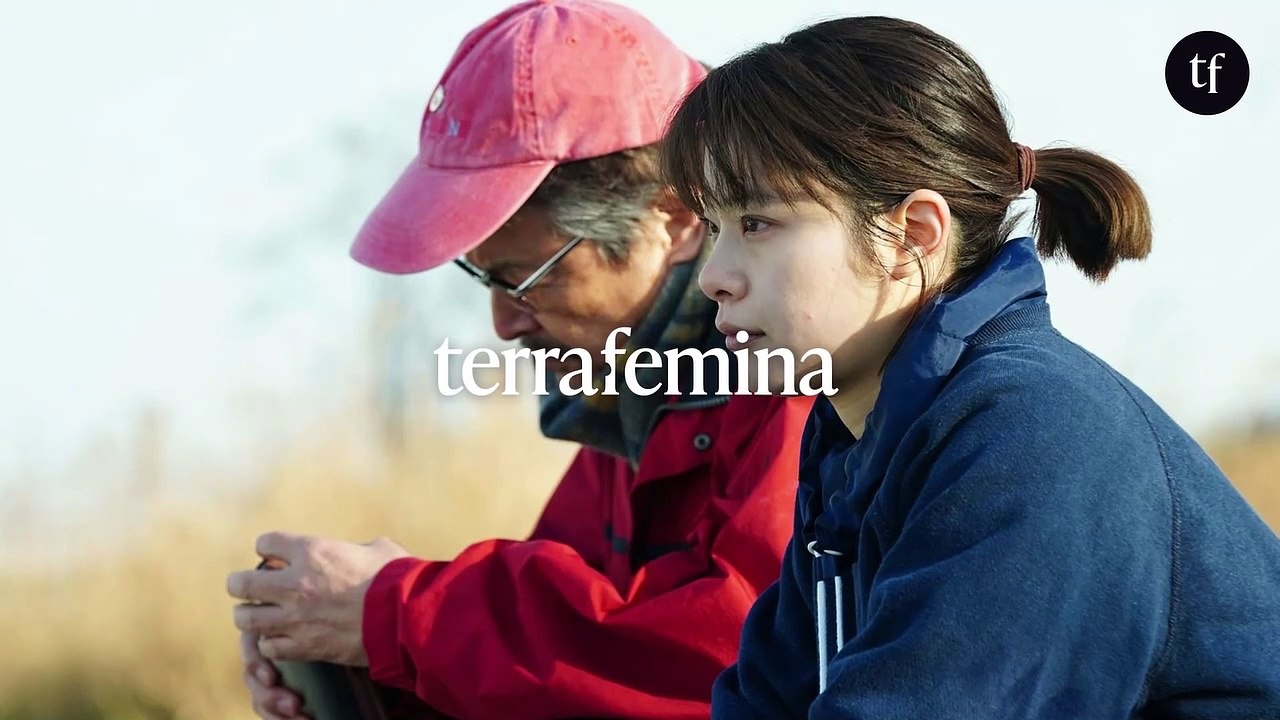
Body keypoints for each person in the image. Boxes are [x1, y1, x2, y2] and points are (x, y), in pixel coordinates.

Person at [658, 15, 1280, 719]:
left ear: (912, 236)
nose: (713, 276)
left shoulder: (1035, 435)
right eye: (714, 227)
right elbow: (764, 699)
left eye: (757, 223)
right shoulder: (856, 435)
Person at [224, 2, 813, 719]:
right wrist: (358, 664)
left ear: (675, 217)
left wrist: (392, 617)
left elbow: (738, 656)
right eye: (485, 279)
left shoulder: (799, 381)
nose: (502, 324)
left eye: (529, 278)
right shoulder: (634, 389)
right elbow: (572, 682)